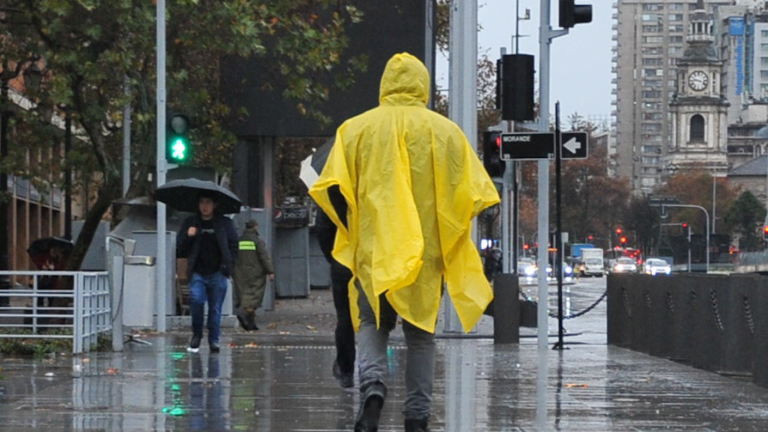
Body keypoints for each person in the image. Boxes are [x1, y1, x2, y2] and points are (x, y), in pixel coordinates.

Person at [310, 53, 500, 432]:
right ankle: (416, 416)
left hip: (374, 251)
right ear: (423, 85)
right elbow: (474, 192)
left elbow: (331, 189)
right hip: (425, 256)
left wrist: (349, 229)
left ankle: (374, 387)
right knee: (420, 336)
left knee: (371, 322)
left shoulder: (355, 130)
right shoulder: (445, 132)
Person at [177, 191, 238, 353]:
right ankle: (197, 334)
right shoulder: (191, 222)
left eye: (208, 202)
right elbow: (180, 249)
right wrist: (189, 236)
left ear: (214, 204)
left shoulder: (224, 223)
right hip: (197, 272)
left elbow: (233, 246)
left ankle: (214, 339)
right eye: (202, 202)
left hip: (218, 272)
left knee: (215, 308)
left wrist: (227, 267)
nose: (205, 206)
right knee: (196, 301)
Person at [314, 208, 355, 389]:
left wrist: (334, 256)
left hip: (343, 260)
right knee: (373, 319)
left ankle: (346, 370)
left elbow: (323, 228)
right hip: (373, 260)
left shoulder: (333, 184)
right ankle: (374, 374)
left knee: (345, 318)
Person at [233, 219, 275, 331]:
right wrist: (270, 271)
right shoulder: (257, 241)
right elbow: (264, 257)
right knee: (254, 297)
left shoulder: (238, 240)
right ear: (255, 227)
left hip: (240, 272)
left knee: (243, 294)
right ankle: (244, 314)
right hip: (255, 272)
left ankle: (250, 324)